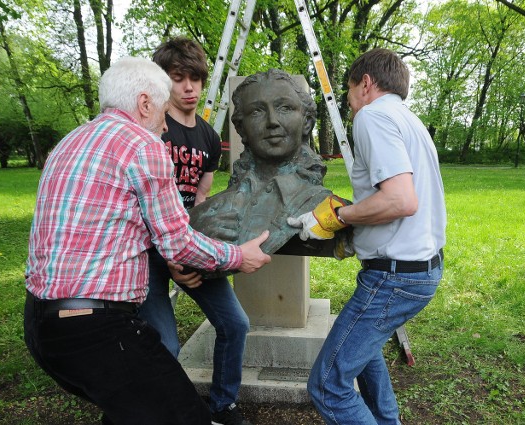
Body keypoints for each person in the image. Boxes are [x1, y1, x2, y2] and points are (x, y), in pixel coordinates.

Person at [23, 56, 271, 425]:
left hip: (40, 322)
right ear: (144, 103)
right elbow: (178, 244)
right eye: (162, 109)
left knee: (131, 411)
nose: (164, 124)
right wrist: (239, 256)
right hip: (96, 328)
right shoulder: (143, 145)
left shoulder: (68, 141)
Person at [288, 48, 447, 425]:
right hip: (419, 269)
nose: (349, 103)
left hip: (395, 277)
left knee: (327, 385)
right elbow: (401, 195)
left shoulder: (373, 116)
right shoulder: (409, 120)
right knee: (365, 352)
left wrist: (336, 217)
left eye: (348, 93)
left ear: (366, 83)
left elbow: (400, 199)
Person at [139, 36, 253, 425]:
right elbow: (138, 204)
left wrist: (197, 252)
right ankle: (148, 412)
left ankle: (222, 405)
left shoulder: (207, 137)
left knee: (236, 324)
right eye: (177, 78)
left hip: (187, 246)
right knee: (165, 345)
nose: (188, 87)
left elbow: (200, 200)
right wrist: (171, 257)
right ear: (162, 81)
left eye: (195, 79)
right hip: (145, 252)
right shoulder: (150, 127)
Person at [189, 68, 344, 260]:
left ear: (307, 122)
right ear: (241, 129)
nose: (272, 121)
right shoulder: (211, 212)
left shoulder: (328, 206)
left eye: (285, 108)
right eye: (256, 111)